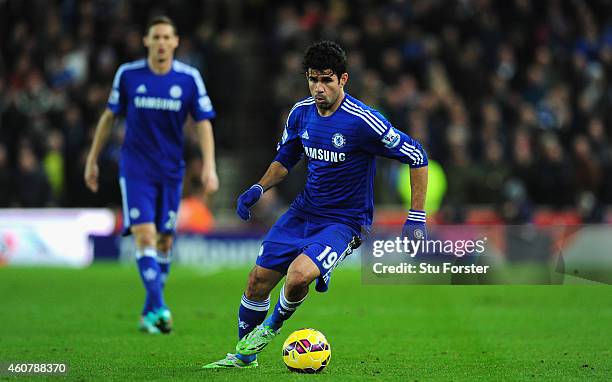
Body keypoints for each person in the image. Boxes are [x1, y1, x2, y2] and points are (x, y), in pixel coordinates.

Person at [203, 41, 427, 368]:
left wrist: (417, 216)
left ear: (343, 79)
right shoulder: (300, 113)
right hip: (303, 211)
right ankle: (243, 357)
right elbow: (287, 156)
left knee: (298, 276)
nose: (318, 88)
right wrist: (258, 187)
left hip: (344, 222)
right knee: (256, 281)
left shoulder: (363, 121)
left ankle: (270, 328)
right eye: (312, 79)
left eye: (326, 80)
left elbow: (417, 154)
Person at [84, 16, 218, 334]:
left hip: (171, 170)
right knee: (145, 235)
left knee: (165, 241)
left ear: (175, 42)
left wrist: (210, 165)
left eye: (166, 37)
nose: (160, 43)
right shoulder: (128, 75)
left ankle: (148, 312)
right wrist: (92, 159)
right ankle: (160, 308)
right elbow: (109, 117)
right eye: (155, 37)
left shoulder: (189, 78)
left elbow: (203, 122)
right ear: (146, 41)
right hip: (136, 168)